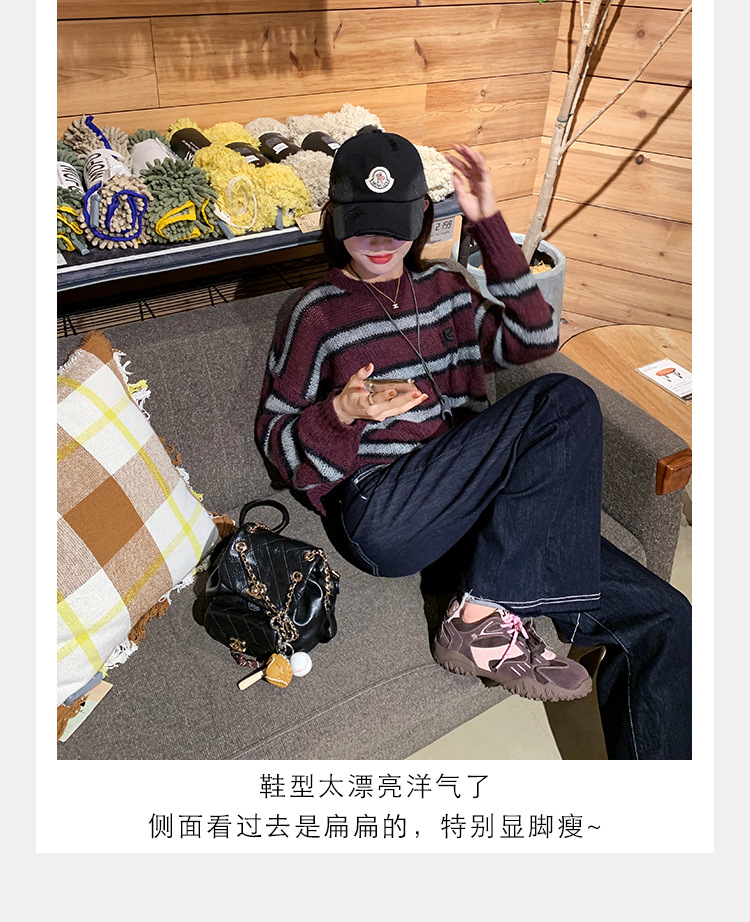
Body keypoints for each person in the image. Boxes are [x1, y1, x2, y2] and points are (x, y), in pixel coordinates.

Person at [255, 130, 692, 760]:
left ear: (421, 217)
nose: (378, 242)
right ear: (334, 219)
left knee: (665, 617)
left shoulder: (448, 290)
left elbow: (534, 336)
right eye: (361, 224)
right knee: (564, 400)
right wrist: (342, 412)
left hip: (479, 511)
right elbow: (278, 443)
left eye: (393, 224)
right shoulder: (316, 313)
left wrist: (489, 224)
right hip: (384, 509)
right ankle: (480, 620)